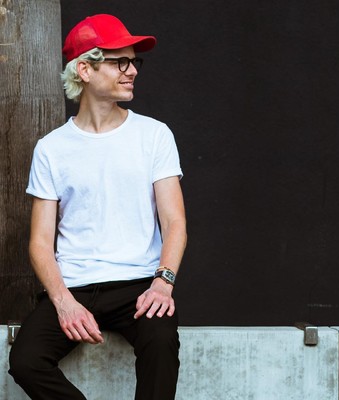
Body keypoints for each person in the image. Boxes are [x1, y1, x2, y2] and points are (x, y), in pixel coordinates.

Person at [8, 14, 186, 400]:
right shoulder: (52, 148)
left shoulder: (154, 135)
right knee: (25, 361)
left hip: (139, 283)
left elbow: (174, 221)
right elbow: (40, 242)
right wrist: (62, 301)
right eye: (119, 62)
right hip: (73, 285)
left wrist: (163, 282)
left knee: (161, 344)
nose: (131, 71)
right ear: (85, 70)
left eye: (134, 62)